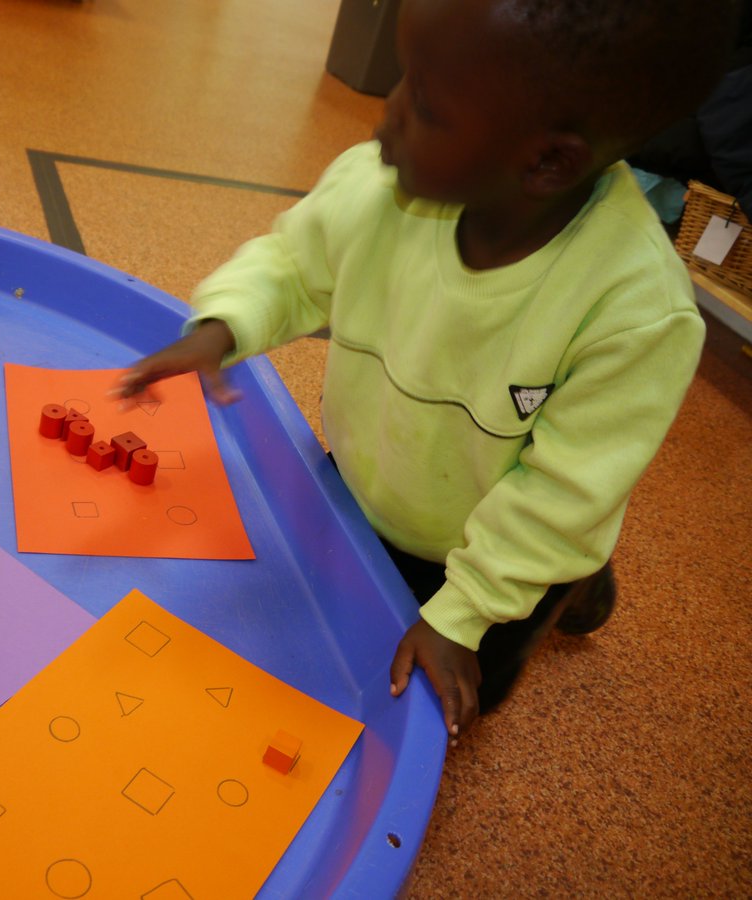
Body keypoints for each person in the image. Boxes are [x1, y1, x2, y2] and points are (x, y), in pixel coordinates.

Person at [116, 0, 739, 742]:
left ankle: (569, 581)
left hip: (493, 547)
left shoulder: (635, 313)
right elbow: (290, 265)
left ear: (546, 162)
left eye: (426, 104)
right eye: (404, 80)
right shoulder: (381, 186)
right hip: (374, 483)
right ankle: (565, 573)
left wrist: (467, 612)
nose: (384, 117)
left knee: (469, 684)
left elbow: (563, 491)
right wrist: (222, 327)